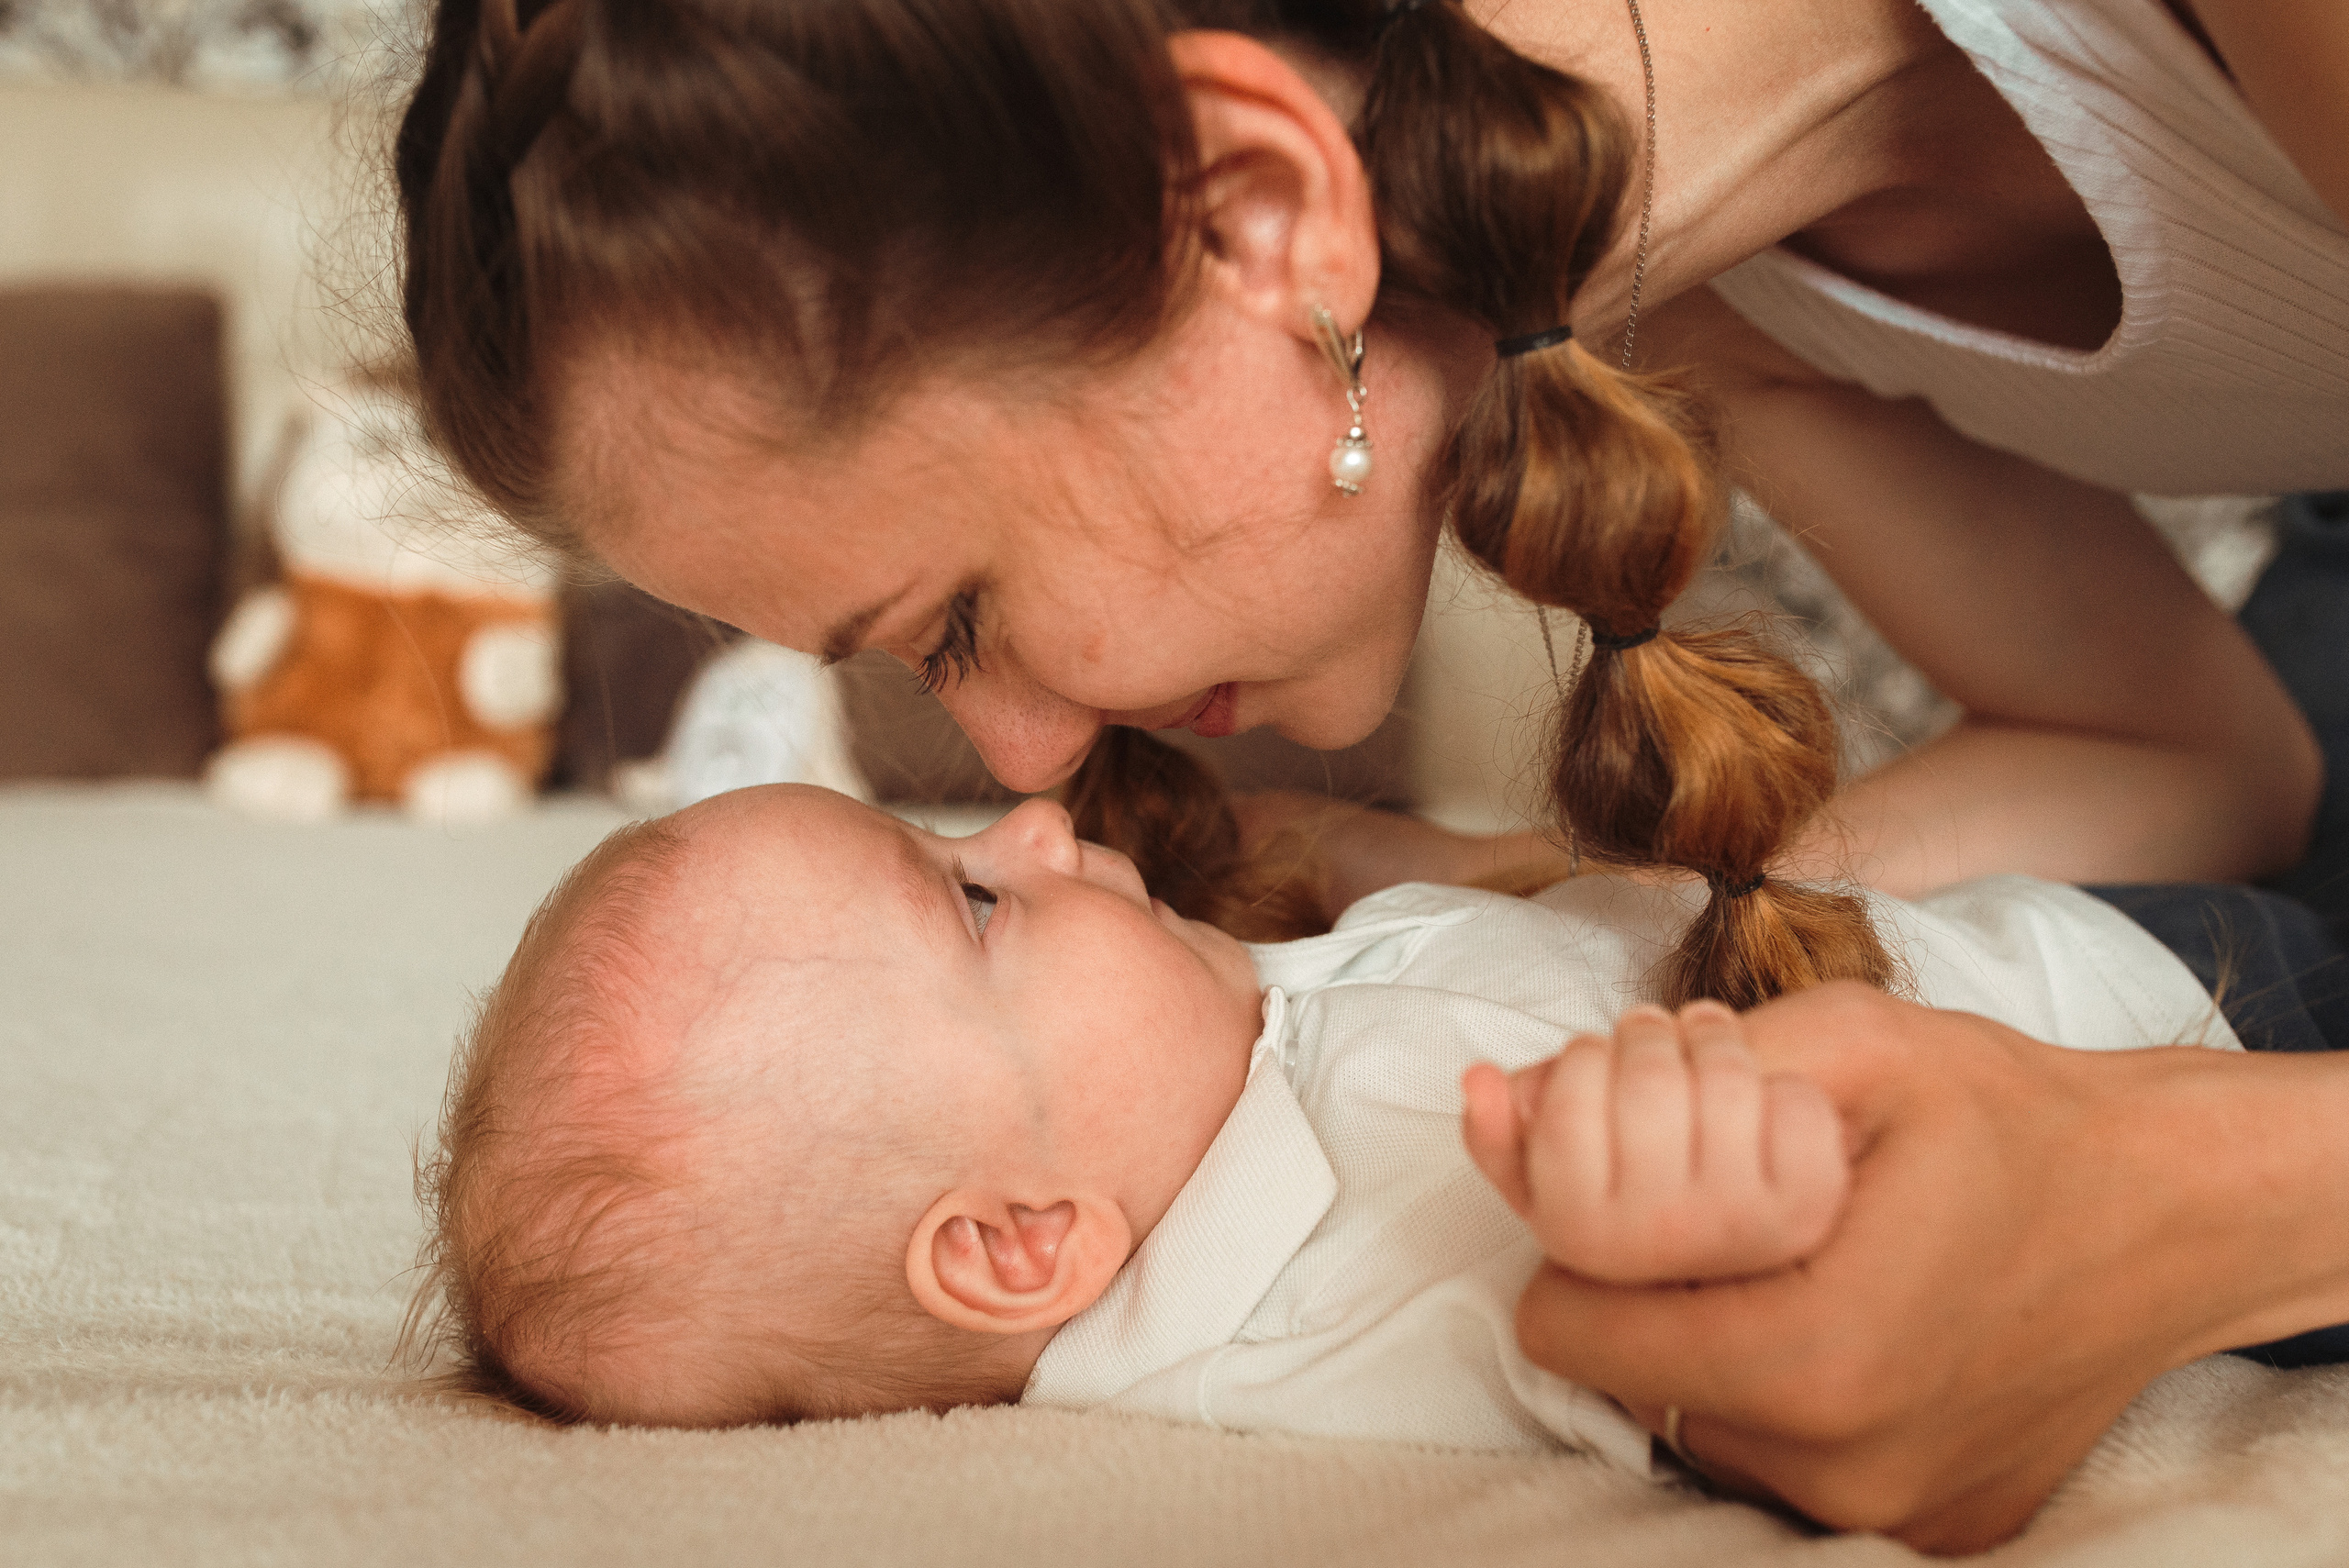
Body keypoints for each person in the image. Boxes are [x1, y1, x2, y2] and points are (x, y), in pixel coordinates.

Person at [389, 0, 2349, 1548]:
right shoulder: (1647, 254)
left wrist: (2165, 1192)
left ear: (1252, 211)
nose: (1023, 763)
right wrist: (1542, 899)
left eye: (960, 613)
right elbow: (2208, 767)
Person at [411, 780, 2276, 1462]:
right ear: (1013, 1245)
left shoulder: (1207, 1080)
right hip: (2187, 1042)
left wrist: (1400, 874)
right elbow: (1727, 1355)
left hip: (2088, 916)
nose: (1034, 826)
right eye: (972, 900)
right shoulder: (1340, 1285)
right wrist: (1710, 1193)